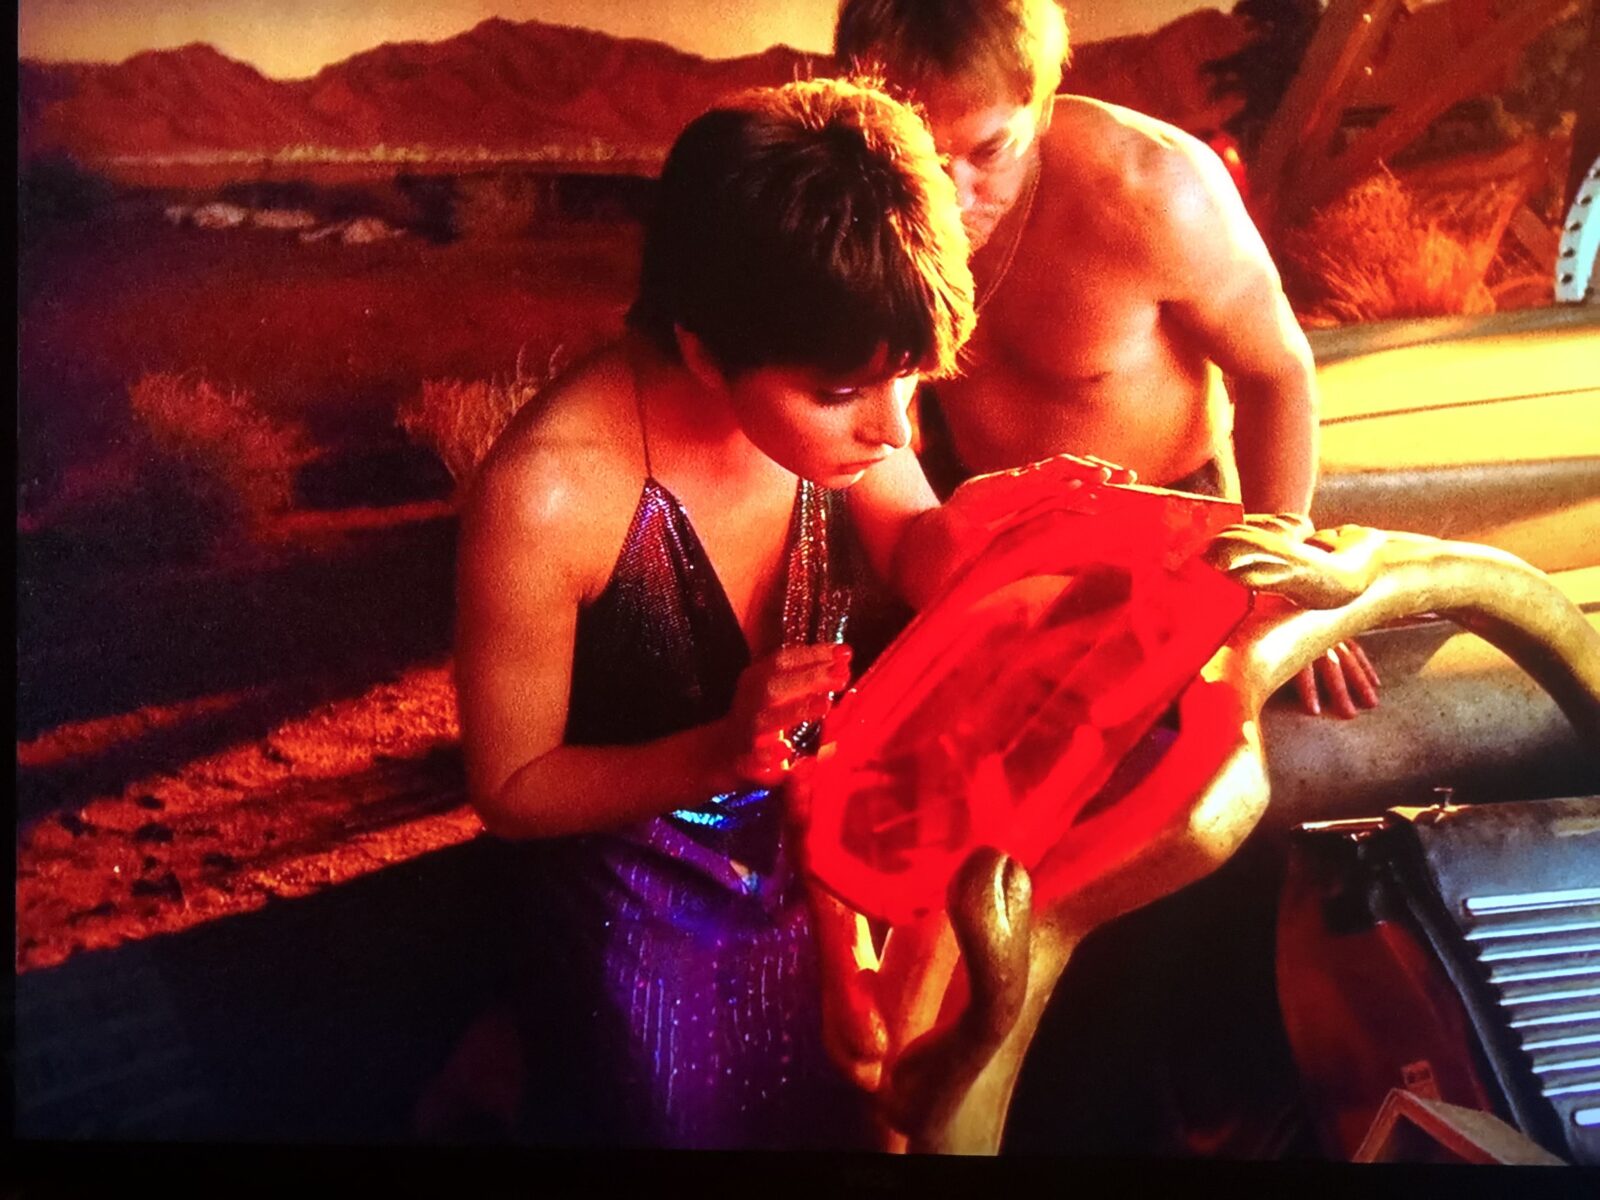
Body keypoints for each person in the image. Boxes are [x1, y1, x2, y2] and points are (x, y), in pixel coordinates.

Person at [453, 75, 1109, 1150]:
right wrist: (721, 752)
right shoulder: (550, 495)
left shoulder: (835, 376)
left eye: (912, 377)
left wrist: (1008, 537)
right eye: (846, 394)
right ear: (705, 351)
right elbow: (512, 790)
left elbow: (915, 542)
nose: (896, 432)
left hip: (820, 868)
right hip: (639, 913)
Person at [834, 0, 1380, 719]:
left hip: (1172, 530)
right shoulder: (855, 198)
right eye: (922, 156)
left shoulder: (1153, 189)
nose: (953, 196)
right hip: (970, 530)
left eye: (989, 153)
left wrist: (1281, 577)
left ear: (1039, 104)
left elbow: (1275, 372)